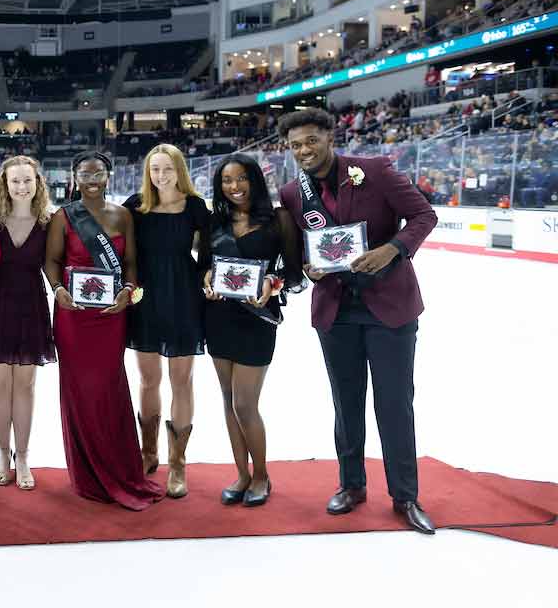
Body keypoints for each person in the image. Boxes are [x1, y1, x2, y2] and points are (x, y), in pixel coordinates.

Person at [276, 108, 439, 534]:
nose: (304, 150)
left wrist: (392, 249)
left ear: (330, 137)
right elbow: (299, 256)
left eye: (311, 140)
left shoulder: (375, 171)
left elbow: (424, 216)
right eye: (296, 145)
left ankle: (405, 496)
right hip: (336, 311)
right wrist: (307, 270)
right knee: (346, 406)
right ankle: (351, 485)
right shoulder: (293, 193)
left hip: (389, 307)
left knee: (394, 404)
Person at [45, 151, 164, 510]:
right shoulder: (63, 217)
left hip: (112, 315)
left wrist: (129, 293)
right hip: (73, 315)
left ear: (109, 176)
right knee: (80, 390)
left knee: (109, 387)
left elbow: (130, 264)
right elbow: (52, 261)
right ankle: (86, 471)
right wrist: (58, 289)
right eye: (85, 173)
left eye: (99, 173)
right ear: (75, 176)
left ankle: (118, 465)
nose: (92, 179)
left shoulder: (122, 215)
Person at [201, 154, 302, 508]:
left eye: (241, 178)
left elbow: (294, 273)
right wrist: (207, 280)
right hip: (218, 317)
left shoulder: (279, 220)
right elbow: (204, 268)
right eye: (227, 181)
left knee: (246, 403)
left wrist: (273, 284)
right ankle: (242, 475)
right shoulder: (215, 221)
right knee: (228, 401)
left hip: (258, 318)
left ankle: (261, 476)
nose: (234, 187)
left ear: (255, 180)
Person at [123, 144, 211, 498]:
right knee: (147, 379)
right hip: (145, 297)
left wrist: (208, 275)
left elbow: (208, 254)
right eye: (154, 169)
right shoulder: (136, 206)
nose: (160, 176)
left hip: (183, 295)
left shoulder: (194, 207)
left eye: (167, 169)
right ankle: (148, 453)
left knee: (182, 380)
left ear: (179, 171)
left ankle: (178, 462)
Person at [0, 155, 55, 491]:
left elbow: (58, 266)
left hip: (31, 306)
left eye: (27, 181)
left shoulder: (49, 221)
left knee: (26, 386)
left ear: (38, 184)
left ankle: (22, 456)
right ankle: (3, 454)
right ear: (4, 184)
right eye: (15, 181)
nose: (21, 187)